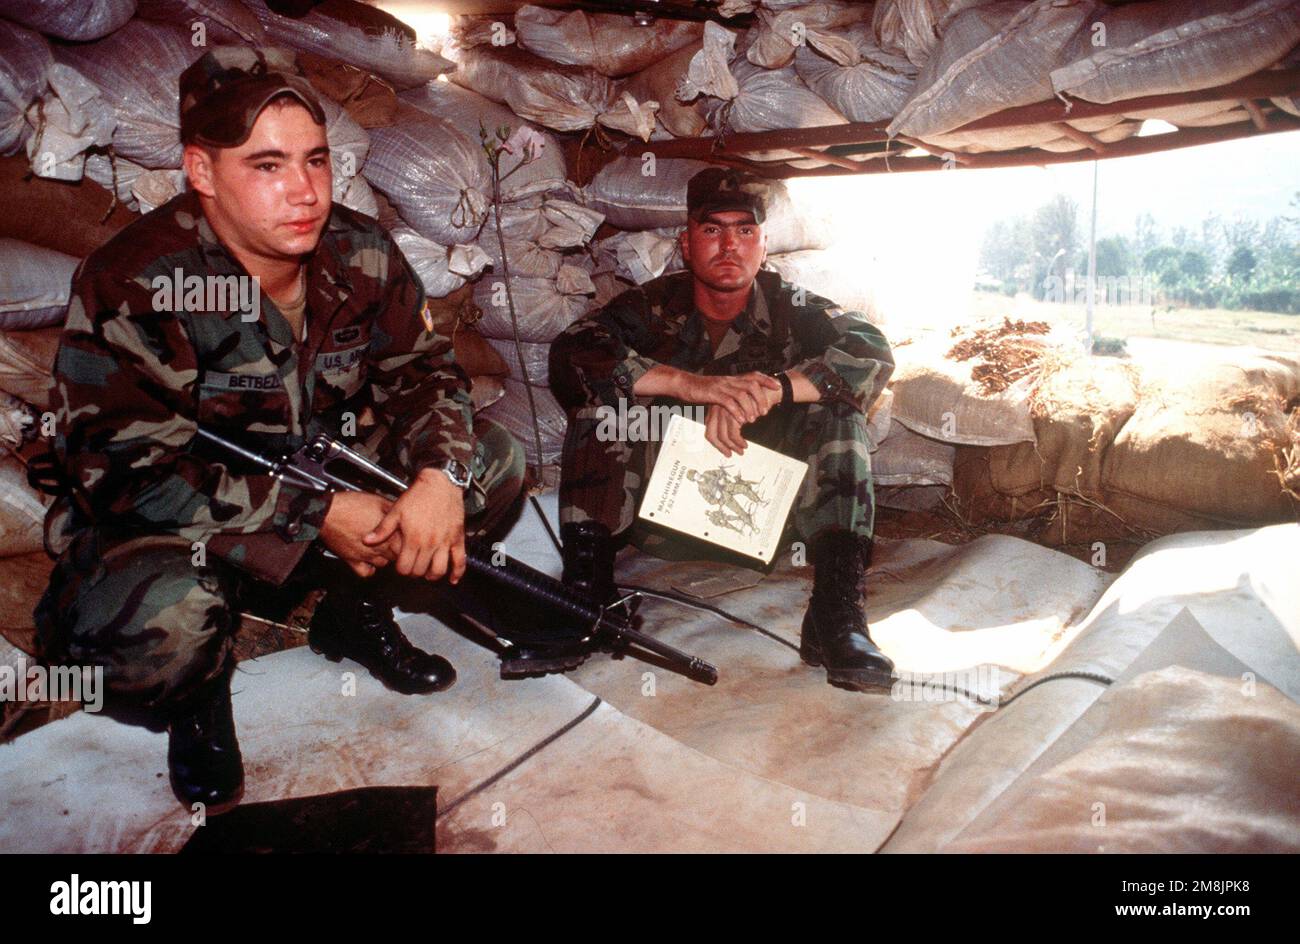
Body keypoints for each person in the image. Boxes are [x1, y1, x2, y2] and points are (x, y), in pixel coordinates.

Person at [33, 47, 525, 813]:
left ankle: (352, 615)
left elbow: (426, 374)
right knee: (157, 633)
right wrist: (315, 518)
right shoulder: (136, 280)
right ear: (201, 171)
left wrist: (437, 479)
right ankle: (197, 696)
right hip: (187, 519)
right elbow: (123, 474)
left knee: (492, 463)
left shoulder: (359, 251)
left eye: (317, 161)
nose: (304, 192)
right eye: (267, 165)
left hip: (326, 477)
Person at [549, 167, 895, 693]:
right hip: (660, 521)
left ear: (762, 246)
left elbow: (871, 351)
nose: (729, 245)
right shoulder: (648, 306)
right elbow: (573, 353)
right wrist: (692, 387)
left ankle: (837, 613)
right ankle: (585, 599)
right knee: (604, 411)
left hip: (770, 524)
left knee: (839, 412)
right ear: (686, 244)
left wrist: (774, 390)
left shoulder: (794, 308)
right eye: (712, 231)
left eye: (745, 231)